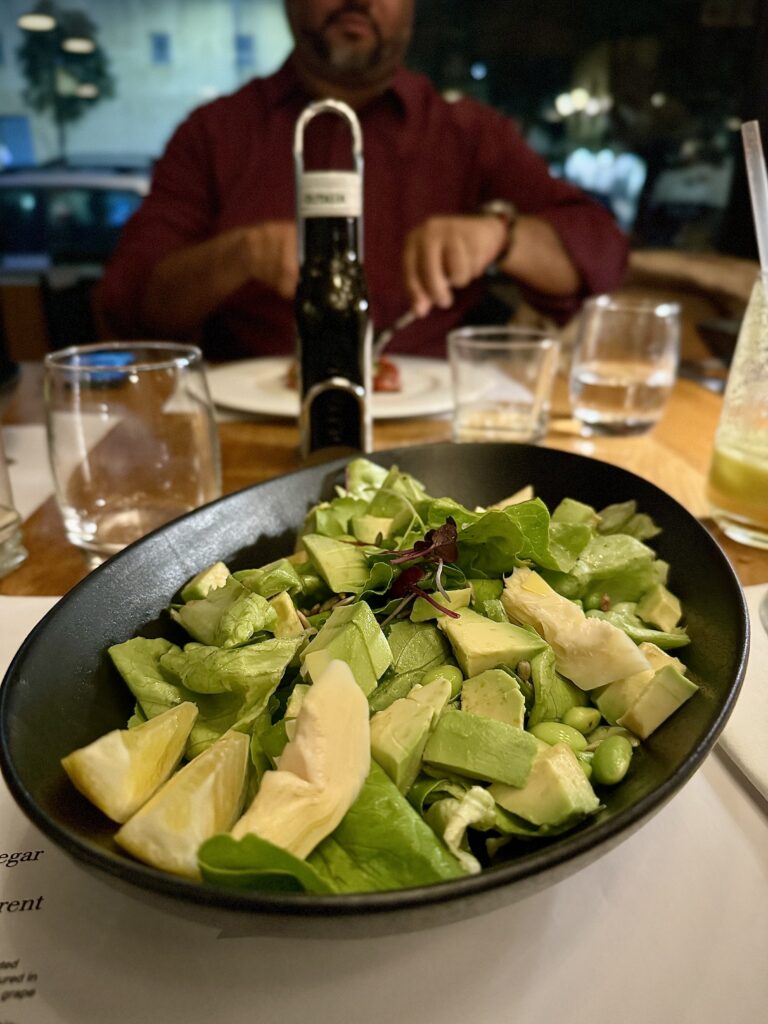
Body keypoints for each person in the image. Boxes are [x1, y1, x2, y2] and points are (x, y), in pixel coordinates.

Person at [98, 0, 629, 360]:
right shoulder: (215, 132)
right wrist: (240, 254)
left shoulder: (468, 133)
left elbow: (600, 255)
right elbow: (129, 307)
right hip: (248, 427)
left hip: (436, 434)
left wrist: (500, 235)